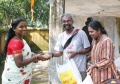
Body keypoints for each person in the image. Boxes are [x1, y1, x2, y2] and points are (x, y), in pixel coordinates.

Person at [2, 18, 51, 84]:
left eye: (25, 26)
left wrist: (37, 55)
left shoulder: (22, 39)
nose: (24, 28)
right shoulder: (15, 42)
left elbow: (25, 54)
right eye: (21, 27)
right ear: (14, 29)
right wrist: (35, 57)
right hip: (15, 79)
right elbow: (19, 63)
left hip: (22, 76)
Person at [49, 14, 91, 81]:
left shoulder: (80, 33)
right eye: (64, 21)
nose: (66, 23)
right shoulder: (61, 36)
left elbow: (88, 48)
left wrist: (77, 52)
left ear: (72, 22)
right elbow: (60, 52)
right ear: (61, 23)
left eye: (68, 21)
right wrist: (52, 54)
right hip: (68, 69)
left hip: (80, 69)